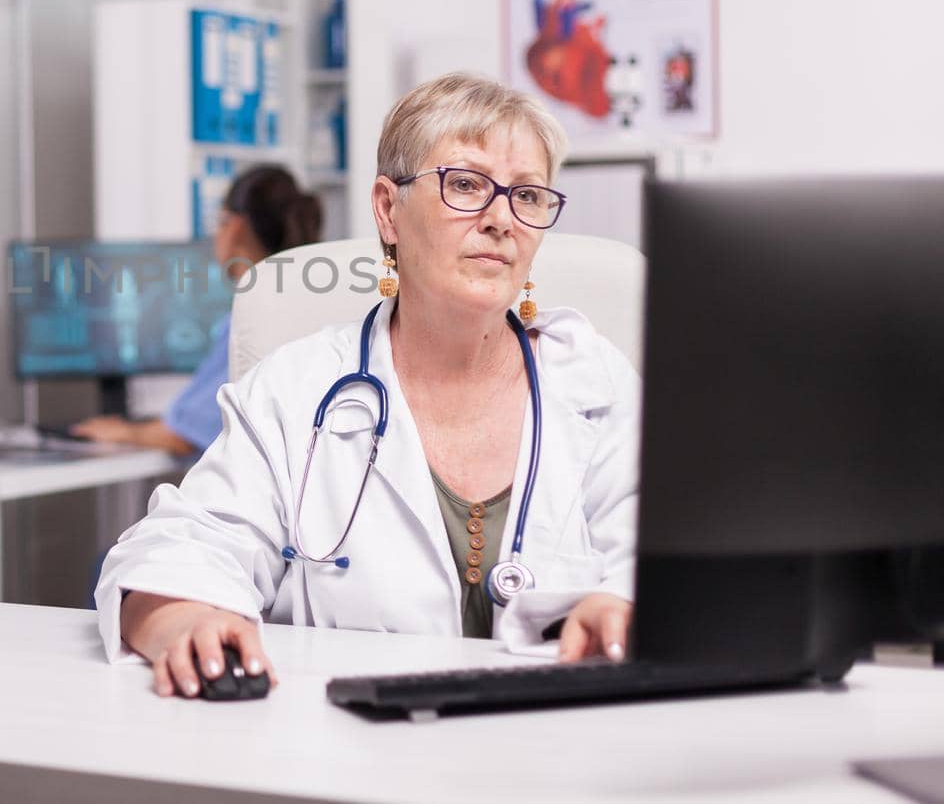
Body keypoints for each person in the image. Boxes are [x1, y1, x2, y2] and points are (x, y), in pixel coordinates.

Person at [96, 73, 640, 697]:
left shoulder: (598, 385)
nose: (501, 220)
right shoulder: (295, 391)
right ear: (388, 210)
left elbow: (667, 564)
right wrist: (188, 623)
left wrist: (626, 605)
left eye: (529, 196)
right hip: (353, 759)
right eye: (466, 184)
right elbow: (180, 552)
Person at [70, 166, 322, 457]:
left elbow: (187, 433)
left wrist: (125, 431)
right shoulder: (301, 306)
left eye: (219, 222)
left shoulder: (252, 319)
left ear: (235, 228)